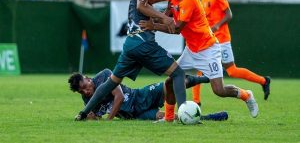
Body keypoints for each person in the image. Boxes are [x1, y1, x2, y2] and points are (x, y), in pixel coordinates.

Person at [138, 0, 259, 119]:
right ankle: (168, 118)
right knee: (170, 82)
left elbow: (176, 29)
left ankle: (247, 95)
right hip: (192, 49)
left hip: (208, 49)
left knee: (219, 90)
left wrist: (153, 25)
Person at [74, 0, 187, 121]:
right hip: (143, 43)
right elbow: (142, 6)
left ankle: (83, 113)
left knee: (111, 82)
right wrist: (165, 18)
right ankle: (186, 114)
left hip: (130, 46)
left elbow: (150, 15)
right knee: (178, 74)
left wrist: (166, 13)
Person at [190, 0, 271, 106]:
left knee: (232, 71)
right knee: (200, 67)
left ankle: (263, 81)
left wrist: (216, 25)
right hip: (209, 40)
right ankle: (196, 101)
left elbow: (229, 15)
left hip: (221, 39)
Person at [69, 69, 229, 121]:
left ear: (88, 79)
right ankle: (211, 117)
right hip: (135, 115)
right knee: (168, 117)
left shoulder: (104, 75)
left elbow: (118, 97)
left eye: (85, 86)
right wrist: (92, 118)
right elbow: (95, 115)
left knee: (171, 83)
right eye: (81, 91)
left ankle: (207, 77)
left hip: (140, 96)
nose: (86, 91)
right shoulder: (87, 99)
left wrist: (109, 120)